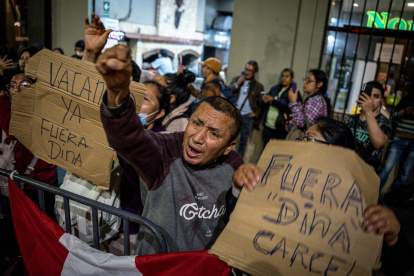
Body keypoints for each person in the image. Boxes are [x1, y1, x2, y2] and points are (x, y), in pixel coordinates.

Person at [97, 45, 243, 255]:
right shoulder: (165, 150)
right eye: (197, 123)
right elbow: (127, 137)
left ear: (229, 147)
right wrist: (117, 93)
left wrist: (240, 190)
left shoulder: (234, 165)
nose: (198, 137)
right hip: (156, 267)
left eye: (213, 133)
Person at [230, 117, 413, 276]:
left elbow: (399, 266)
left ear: (337, 152)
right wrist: (239, 189)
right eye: (302, 138)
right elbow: (234, 223)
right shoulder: (275, 179)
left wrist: (392, 236)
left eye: (309, 139)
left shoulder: (358, 200)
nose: (300, 143)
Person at [0, 71, 58, 217]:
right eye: (13, 85)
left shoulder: (41, 110)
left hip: (40, 184)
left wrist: (2, 101)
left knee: (43, 226)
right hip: (21, 181)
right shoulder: (14, 109)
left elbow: (13, 128)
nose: (17, 89)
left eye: (24, 84)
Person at [344, 81, 392, 172]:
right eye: (368, 95)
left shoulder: (384, 122)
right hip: (347, 167)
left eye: (376, 97)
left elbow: (379, 143)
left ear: (381, 100)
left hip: (366, 172)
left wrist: (368, 112)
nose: (371, 100)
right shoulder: (350, 119)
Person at [379, 93, 414, 190]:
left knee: (405, 172)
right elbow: (393, 115)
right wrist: (404, 111)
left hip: (413, 142)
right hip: (399, 138)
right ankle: (375, 192)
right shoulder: (406, 99)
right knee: (387, 167)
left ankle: (395, 196)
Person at [230, 60, 264, 157]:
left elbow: (261, 103)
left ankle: (238, 162)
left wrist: (256, 113)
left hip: (247, 117)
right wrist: (237, 84)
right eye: (246, 69)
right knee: (230, 138)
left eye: (250, 70)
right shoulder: (237, 79)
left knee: (243, 141)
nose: (247, 72)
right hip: (235, 114)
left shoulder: (258, 86)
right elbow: (227, 91)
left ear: (255, 72)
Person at [262, 68, 301, 146]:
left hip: (281, 127)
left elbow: (289, 107)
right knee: (265, 150)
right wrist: (264, 100)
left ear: (291, 78)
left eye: (287, 76)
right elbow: (266, 103)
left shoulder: (293, 92)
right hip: (268, 126)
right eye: (282, 76)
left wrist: (273, 101)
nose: (284, 78)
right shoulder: (274, 88)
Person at [287, 69, 329, 137]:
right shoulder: (312, 99)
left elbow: (301, 123)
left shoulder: (316, 100)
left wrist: (293, 101)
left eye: (309, 80)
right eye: (305, 79)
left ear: (319, 84)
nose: (304, 82)